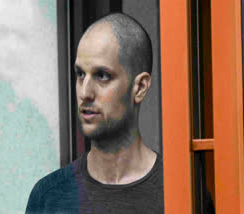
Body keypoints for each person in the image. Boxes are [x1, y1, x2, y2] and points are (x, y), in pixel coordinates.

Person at [26, 12, 164, 214]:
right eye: (80, 74)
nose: (85, 92)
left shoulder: (181, 190)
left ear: (140, 87)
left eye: (102, 76)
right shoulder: (49, 197)